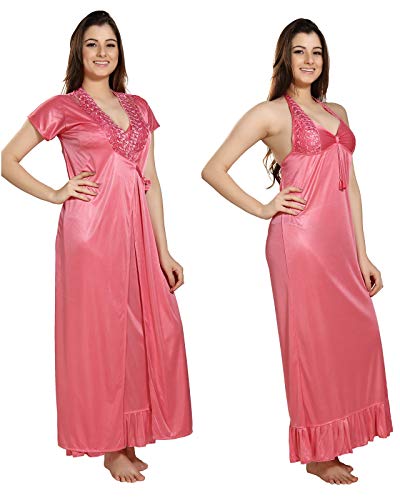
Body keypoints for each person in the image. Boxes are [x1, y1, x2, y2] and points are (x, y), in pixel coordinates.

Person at [1, 10, 192, 483]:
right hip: (89, 234)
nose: (102, 52)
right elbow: (8, 160)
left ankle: (130, 436)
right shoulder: (61, 107)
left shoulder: (139, 107)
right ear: (78, 51)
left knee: (146, 330)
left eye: (110, 44)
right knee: (101, 335)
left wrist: (164, 250)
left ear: (119, 52)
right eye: (92, 44)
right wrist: (55, 193)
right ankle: (109, 445)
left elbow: (151, 180)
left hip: (138, 233)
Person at [201, 18, 392, 485]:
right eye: (300, 51)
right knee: (310, 345)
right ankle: (318, 454)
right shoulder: (270, 114)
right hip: (299, 244)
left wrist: (363, 254)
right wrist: (264, 207)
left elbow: (351, 186)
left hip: (339, 245)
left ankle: (337, 440)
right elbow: (214, 169)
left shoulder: (338, 112)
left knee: (357, 337)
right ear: (285, 57)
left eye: (317, 52)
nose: (309, 60)